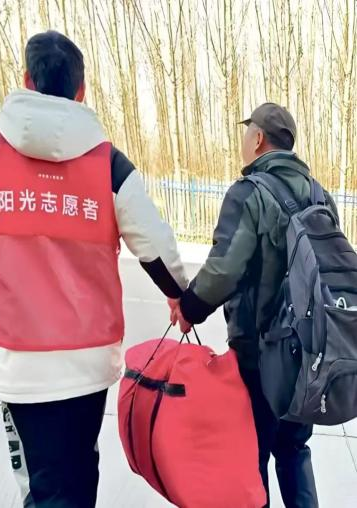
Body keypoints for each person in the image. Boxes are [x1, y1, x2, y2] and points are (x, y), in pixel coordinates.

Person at [0, 31, 188, 508]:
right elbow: (154, 243)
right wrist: (179, 294)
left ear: (27, 79)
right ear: (80, 90)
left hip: (20, 361)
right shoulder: (109, 164)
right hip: (89, 359)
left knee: (43, 482)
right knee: (80, 468)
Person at [171, 103, 338, 507]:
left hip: (259, 357)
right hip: (309, 353)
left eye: (248, 133)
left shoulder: (248, 193)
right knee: (295, 449)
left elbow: (224, 269)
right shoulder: (320, 195)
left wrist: (189, 307)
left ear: (259, 138)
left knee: (252, 454)